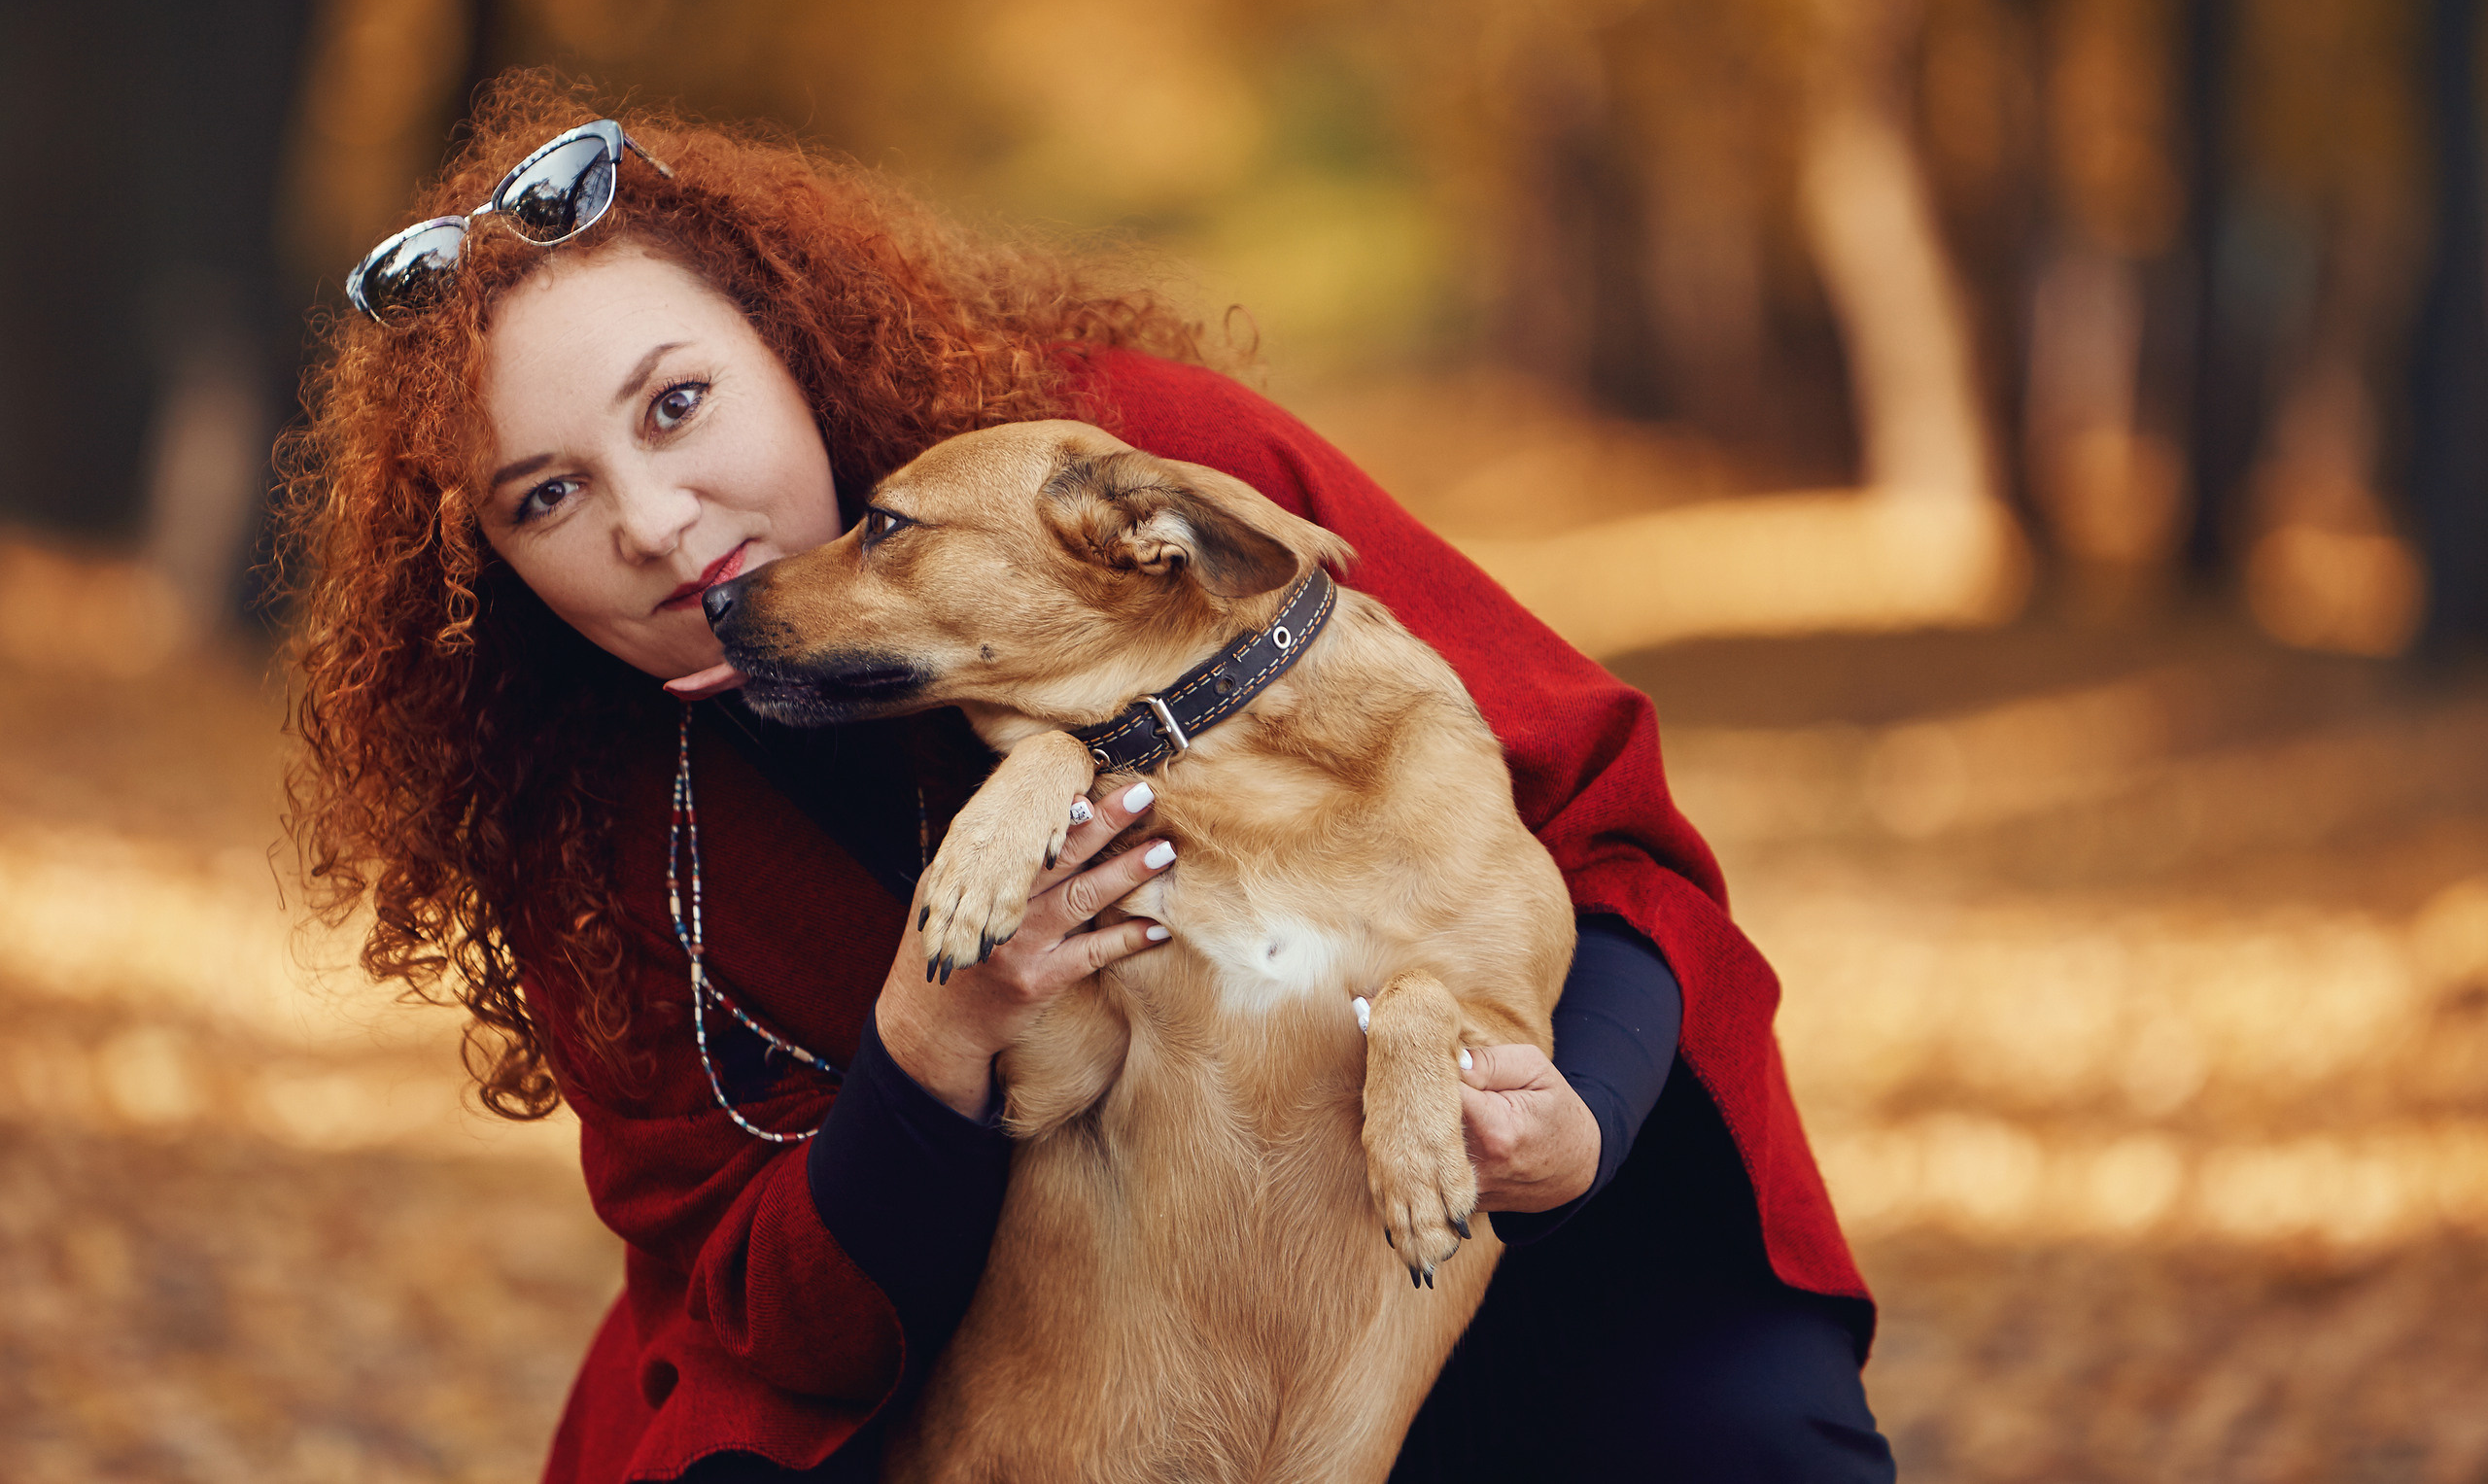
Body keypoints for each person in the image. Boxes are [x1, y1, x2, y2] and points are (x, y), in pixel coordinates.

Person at [278, 72, 1895, 1483]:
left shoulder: (1128, 475)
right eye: (546, 495)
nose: (653, 520)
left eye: (679, 404)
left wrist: (1573, 1128)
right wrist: (929, 1046)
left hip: (1408, 1258)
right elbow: (749, 1295)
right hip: (976, 1367)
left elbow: (1607, 833)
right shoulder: (576, 813)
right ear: (489, 560)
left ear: (786, 340)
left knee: (1742, 1444)